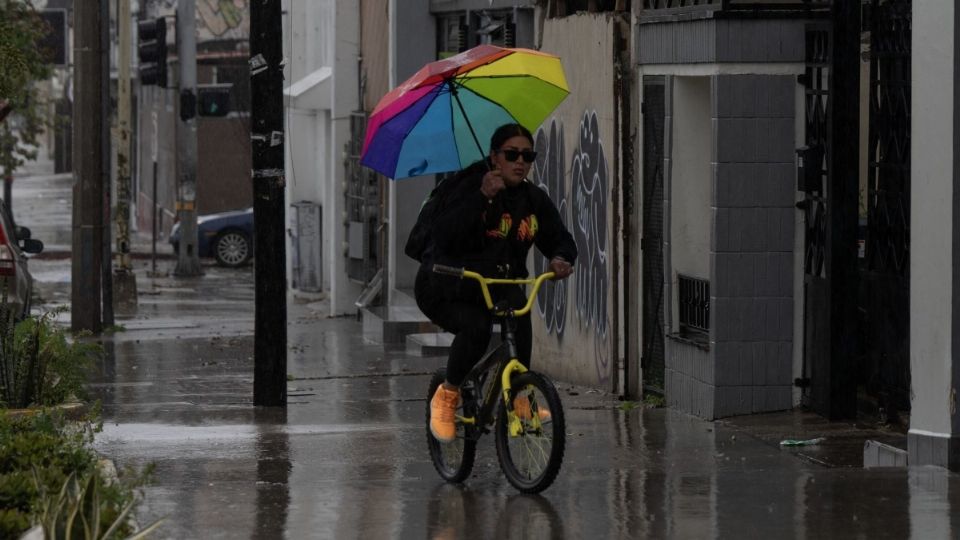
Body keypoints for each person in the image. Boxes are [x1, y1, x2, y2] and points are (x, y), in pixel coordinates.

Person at [415, 123, 578, 443]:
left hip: (497, 285)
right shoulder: (467, 186)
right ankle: (446, 397)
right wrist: (481, 197)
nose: (520, 162)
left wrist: (561, 258)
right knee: (475, 328)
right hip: (447, 286)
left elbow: (559, 237)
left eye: (527, 155)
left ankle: (521, 401)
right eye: (512, 154)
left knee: (520, 313)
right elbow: (445, 235)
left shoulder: (533, 199)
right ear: (494, 157)